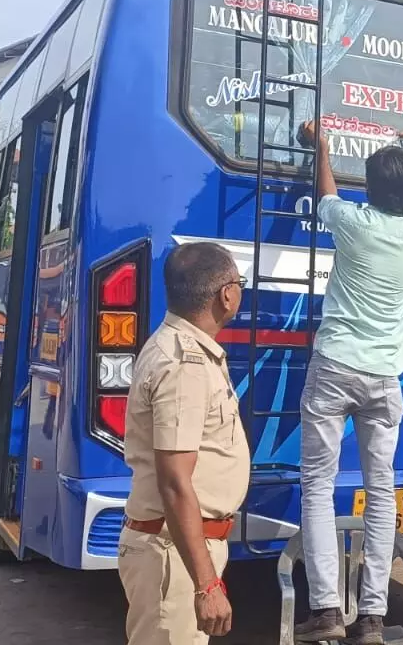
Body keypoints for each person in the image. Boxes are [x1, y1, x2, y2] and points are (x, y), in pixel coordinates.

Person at [295, 120, 403, 645]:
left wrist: (324, 148)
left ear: (372, 190)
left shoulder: (354, 223)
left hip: (335, 366)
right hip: (385, 377)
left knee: (318, 485)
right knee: (381, 493)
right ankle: (373, 618)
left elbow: (325, 191)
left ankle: (327, 609)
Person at [117, 242, 249, 645]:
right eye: (239, 283)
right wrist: (206, 585)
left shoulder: (188, 351)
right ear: (226, 294)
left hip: (180, 549)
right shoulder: (183, 364)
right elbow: (175, 482)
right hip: (171, 553)